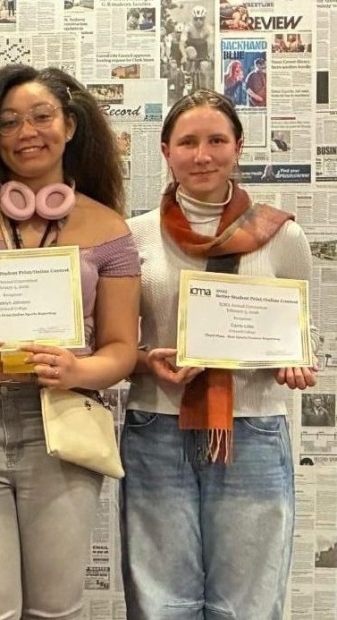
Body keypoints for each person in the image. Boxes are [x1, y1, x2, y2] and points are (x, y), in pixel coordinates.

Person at [0, 64, 139, 618]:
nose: (26, 132)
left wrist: (77, 371)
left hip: (62, 424)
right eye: (9, 121)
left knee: (56, 610)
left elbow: (119, 347)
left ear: (69, 125)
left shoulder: (109, 228)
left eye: (41, 116)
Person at [121, 89, 314, 619]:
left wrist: (296, 359)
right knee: (161, 602)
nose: (202, 155)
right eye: (187, 142)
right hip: (155, 425)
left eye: (216, 140)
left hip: (251, 430)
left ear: (238, 147)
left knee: (246, 604)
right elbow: (116, 342)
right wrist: (146, 359)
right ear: (165, 151)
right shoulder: (135, 236)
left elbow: (297, 329)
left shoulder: (282, 234)